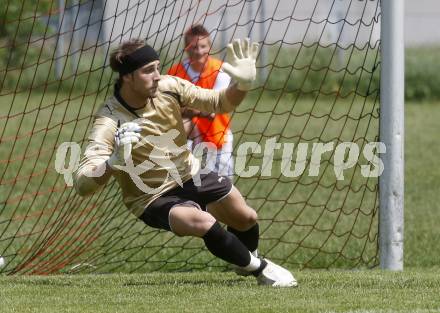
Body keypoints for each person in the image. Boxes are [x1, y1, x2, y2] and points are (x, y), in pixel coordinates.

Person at [73, 37, 297, 287]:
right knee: (203, 222)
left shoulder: (169, 86)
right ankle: (262, 270)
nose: (157, 75)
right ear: (127, 77)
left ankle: (246, 261)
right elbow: (83, 184)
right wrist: (114, 160)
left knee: (246, 218)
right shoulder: (110, 119)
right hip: (151, 196)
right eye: (148, 71)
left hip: (189, 173)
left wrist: (243, 84)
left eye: (158, 67)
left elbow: (219, 102)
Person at [168, 25, 234, 177]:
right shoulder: (174, 73)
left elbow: (213, 109)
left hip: (217, 136)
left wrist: (184, 109)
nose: (198, 51)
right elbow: (169, 108)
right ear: (185, 48)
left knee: (223, 185)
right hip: (187, 139)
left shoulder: (221, 70)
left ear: (209, 47)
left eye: (203, 46)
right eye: (193, 47)